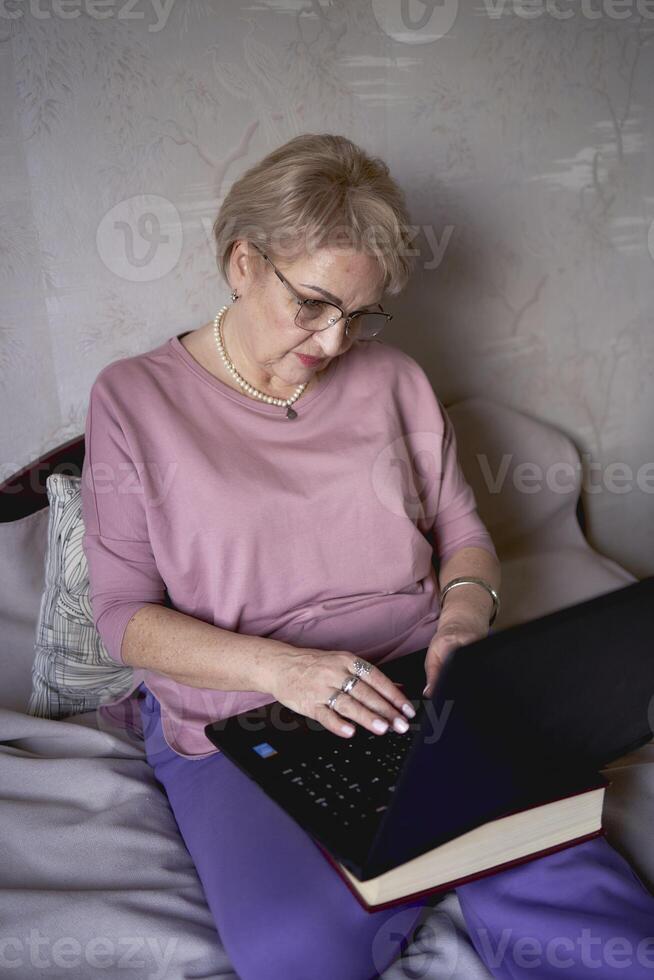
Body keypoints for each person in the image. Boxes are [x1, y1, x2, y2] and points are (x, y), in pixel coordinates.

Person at [81, 133, 654, 980]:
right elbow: (122, 618)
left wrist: (464, 621)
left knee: (614, 940)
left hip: (417, 683)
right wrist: (286, 672)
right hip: (248, 712)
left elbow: (464, 537)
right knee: (294, 952)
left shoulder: (395, 381)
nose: (335, 342)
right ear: (243, 264)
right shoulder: (133, 399)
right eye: (313, 304)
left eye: (361, 314)